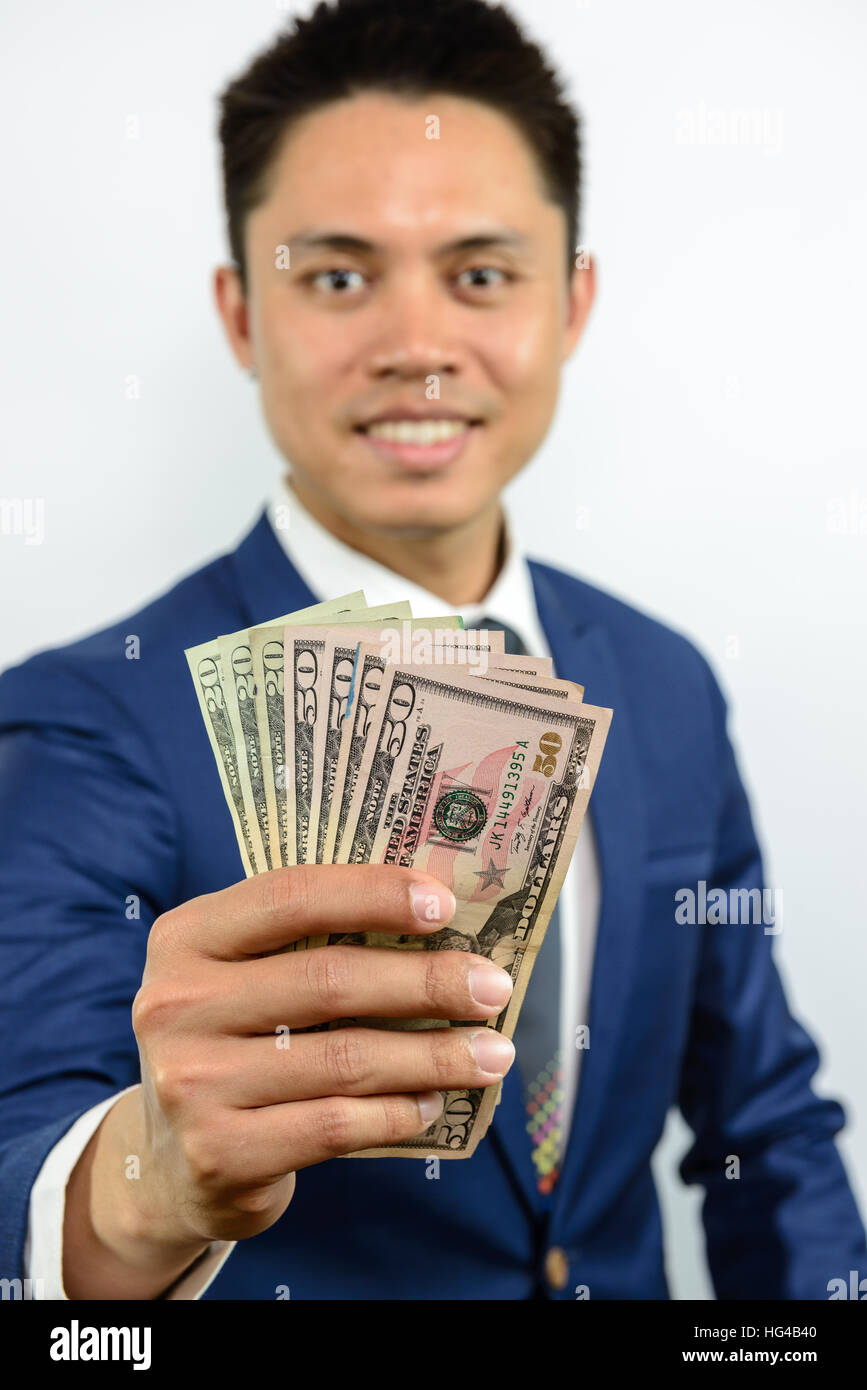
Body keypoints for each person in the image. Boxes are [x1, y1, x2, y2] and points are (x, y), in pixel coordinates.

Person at [0, 0, 864, 1302]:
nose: (415, 347)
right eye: (338, 276)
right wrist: (143, 1190)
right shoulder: (83, 717)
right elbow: (29, 1146)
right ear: (240, 312)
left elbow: (767, 1124)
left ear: (572, 302)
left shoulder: (667, 680)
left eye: (479, 273)